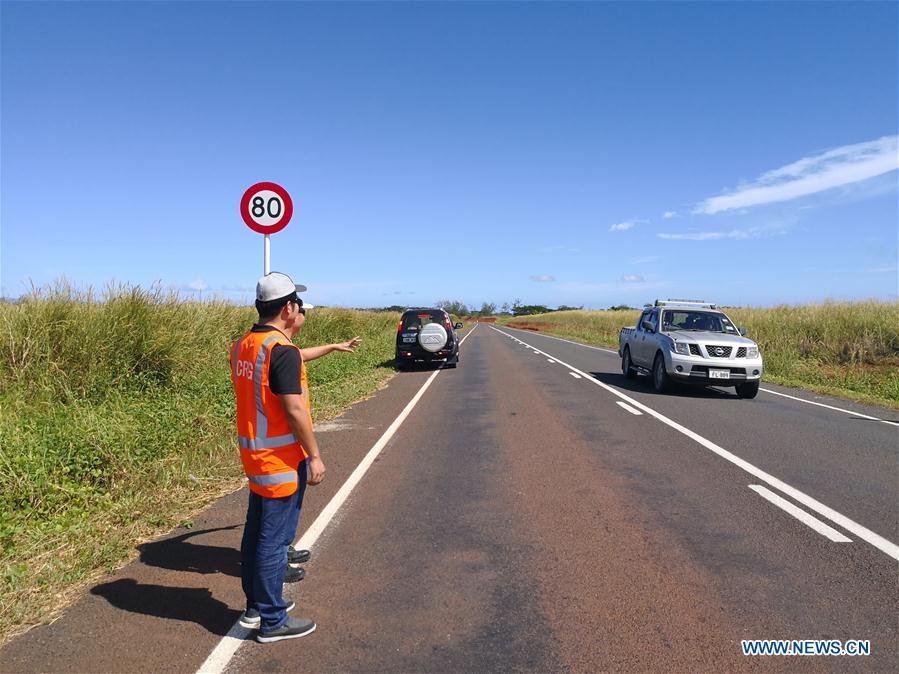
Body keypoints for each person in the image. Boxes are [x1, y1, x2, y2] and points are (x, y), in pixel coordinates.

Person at [229, 271, 359, 643]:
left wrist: (332, 347)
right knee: (272, 542)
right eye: (298, 304)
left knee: (255, 536)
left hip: (255, 455)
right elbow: (294, 408)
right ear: (288, 308)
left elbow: (291, 360)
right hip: (281, 459)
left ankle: (256, 607)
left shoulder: (247, 345)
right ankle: (272, 620)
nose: (299, 309)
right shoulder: (279, 351)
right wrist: (314, 455)